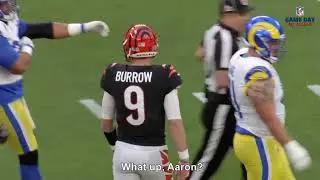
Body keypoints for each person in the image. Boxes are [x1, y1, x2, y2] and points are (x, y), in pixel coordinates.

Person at [0, 0, 109, 179]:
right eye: (3, 5)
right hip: (5, 99)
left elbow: (44, 30)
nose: (8, 8)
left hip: (13, 95)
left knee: (28, 149)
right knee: (28, 154)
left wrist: (84, 27)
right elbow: (18, 65)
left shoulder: (9, 23)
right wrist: (27, 48)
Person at [100, 24, 190, 180]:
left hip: (123, 152)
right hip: (154, 154)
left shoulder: (113, 72)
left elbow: (106, 123)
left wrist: (115, 147)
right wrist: (184, 160)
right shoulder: (165, 74)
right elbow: (175, 122)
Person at [228, 15, 311, 180]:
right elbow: (267, 116)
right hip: (259, 141)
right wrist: (290, 144)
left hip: (257, 138)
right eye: (273, 43)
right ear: (259, 41)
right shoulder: (258, 71)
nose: (277, 47)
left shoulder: (242, 55)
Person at [189, 0, 253, 179]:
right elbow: (223, 80)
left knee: (250, 157)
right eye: (243, 13)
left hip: (227, 108)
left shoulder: (214, 32)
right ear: (230, 14)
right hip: (222, 108)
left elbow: (199, 53)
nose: (246, 18)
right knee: (208, 160)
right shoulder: (225, 39)